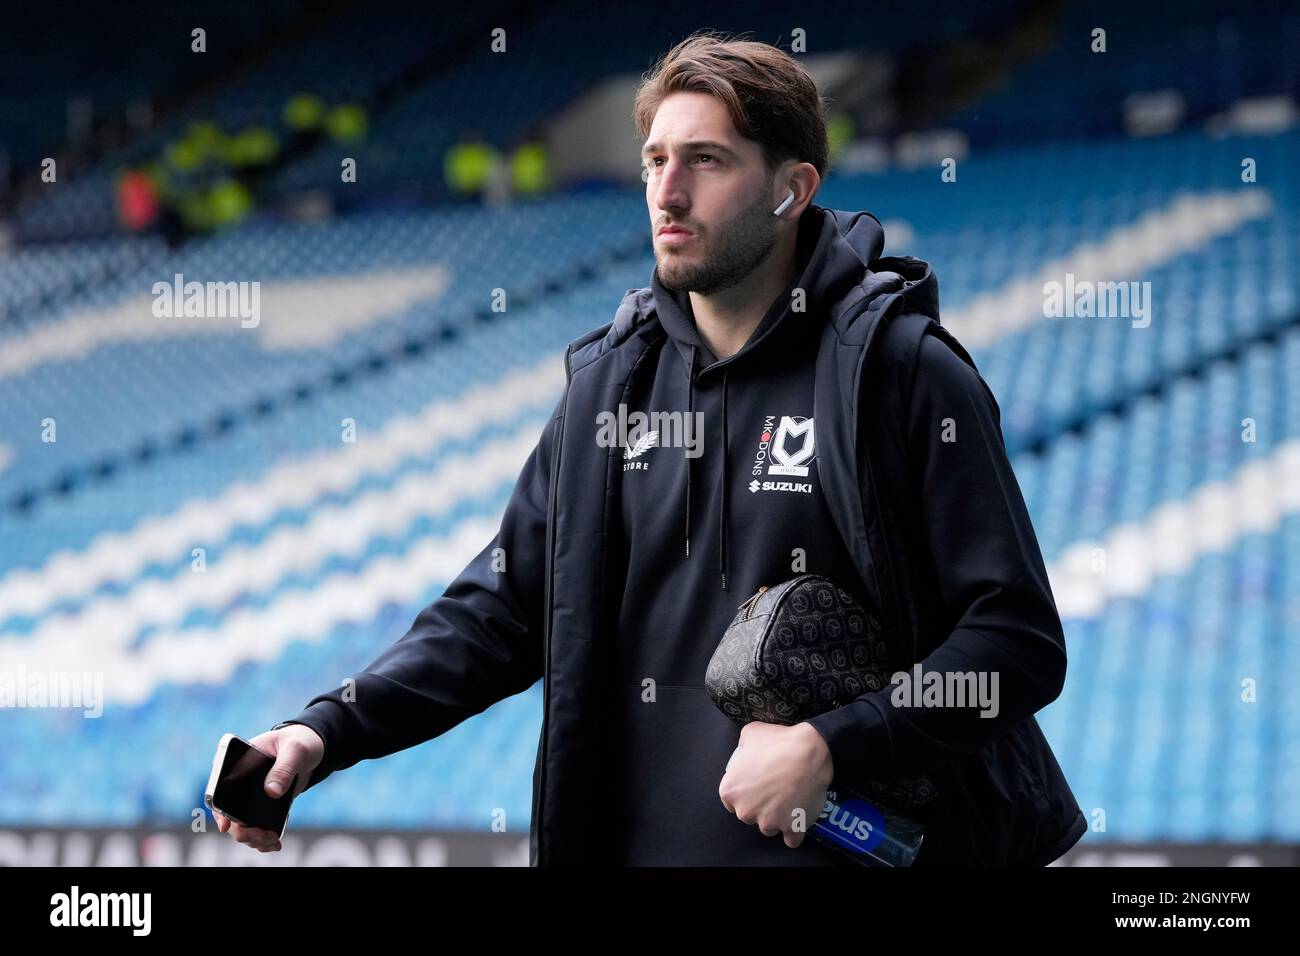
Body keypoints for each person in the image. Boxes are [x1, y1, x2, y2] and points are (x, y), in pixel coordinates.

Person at [214, 31, 1086, 866]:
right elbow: (503, 610)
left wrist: (831, 745)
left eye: (705, 160)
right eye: (655, 161)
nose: (668, 193)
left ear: (792, 188)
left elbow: (1015, 640)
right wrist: (325, 730)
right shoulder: (608, 387)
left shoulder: (901, 374)